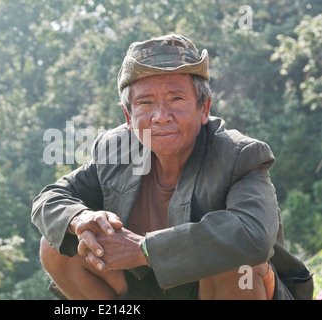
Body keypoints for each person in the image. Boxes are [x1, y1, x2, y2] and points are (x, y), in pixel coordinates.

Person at [31, 34, 313, 300]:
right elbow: (50, 199)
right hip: (153, 290)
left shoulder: (240, 155)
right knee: (57, 244)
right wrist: (80, 219)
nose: (161, 117)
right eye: (145, 102)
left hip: (222, 289)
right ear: (128, 116)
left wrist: (144, 250)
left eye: (176, 99)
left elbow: (254, 235)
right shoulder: (116, 149)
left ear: (204, 108)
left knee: (238, 264)